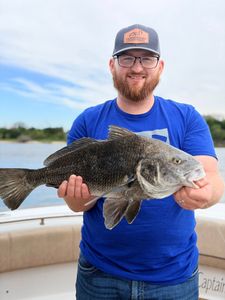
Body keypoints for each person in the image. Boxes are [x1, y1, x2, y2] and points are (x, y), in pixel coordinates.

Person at [58, 24, 224, 299]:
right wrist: (77, 197)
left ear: (160, 66)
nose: (137, 67)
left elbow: (210, 176)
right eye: (127, 58)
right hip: (99, 274)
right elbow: (77, 205)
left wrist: (206, 195)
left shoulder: (187, 117)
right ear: (112, 65)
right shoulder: (87, 120)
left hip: (173, 277)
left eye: (147, 58)